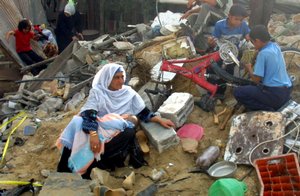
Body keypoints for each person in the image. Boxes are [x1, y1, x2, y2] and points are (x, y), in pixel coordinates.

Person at [57, 63, 175, 178]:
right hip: (98, 127)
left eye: (122, 77)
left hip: (115, 131)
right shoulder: (98, 92)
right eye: (116, 77)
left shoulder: (128, 93)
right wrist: (93, 134)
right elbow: (89, 113)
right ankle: (65, 168)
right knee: (77, 122)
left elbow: (143, 112)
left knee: (129, 132)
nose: (121, 81)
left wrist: (159, 120)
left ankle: (94, 165)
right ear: (108, 79)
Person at [233, 25, 292, 111]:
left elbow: (256, 80)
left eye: (253, 42)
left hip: (275, 95)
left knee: (238, 92)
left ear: (257, 41)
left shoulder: (263, 54)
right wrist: (257, 52)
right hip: (287, 89)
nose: (253, 45)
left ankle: (268, 110)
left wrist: (249, 68)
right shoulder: (275, 46)